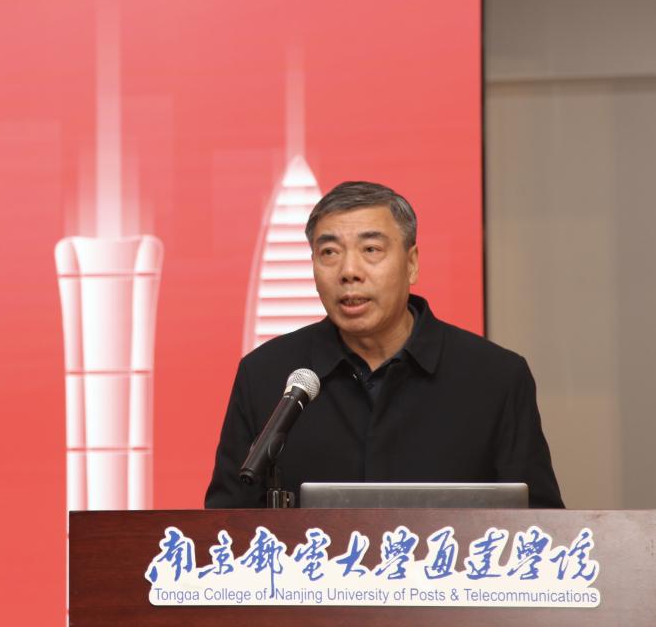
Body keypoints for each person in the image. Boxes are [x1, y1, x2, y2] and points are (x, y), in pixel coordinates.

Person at [205, 181, 564, 508]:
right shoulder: (266, 376)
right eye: (329, 252)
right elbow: (221, 530)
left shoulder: (495, 378)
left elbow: (542, 529)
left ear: (412, 264)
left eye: (371, 249)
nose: (349, 271)